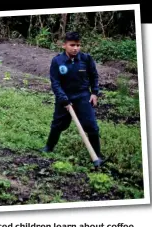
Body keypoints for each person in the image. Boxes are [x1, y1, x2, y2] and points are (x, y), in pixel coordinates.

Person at [41, 31, 105, 166]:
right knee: (58, 124)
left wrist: (94, 93)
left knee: (91, 126)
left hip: (83, 96)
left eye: (78, 45)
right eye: (72, 45)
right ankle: (48, 148)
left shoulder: (86, 59)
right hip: (64, 96)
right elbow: (55, 82)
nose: (75, 48)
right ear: (64, 45)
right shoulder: (57, 61)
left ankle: (97, 155)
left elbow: (94, 76)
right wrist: (63, 99)